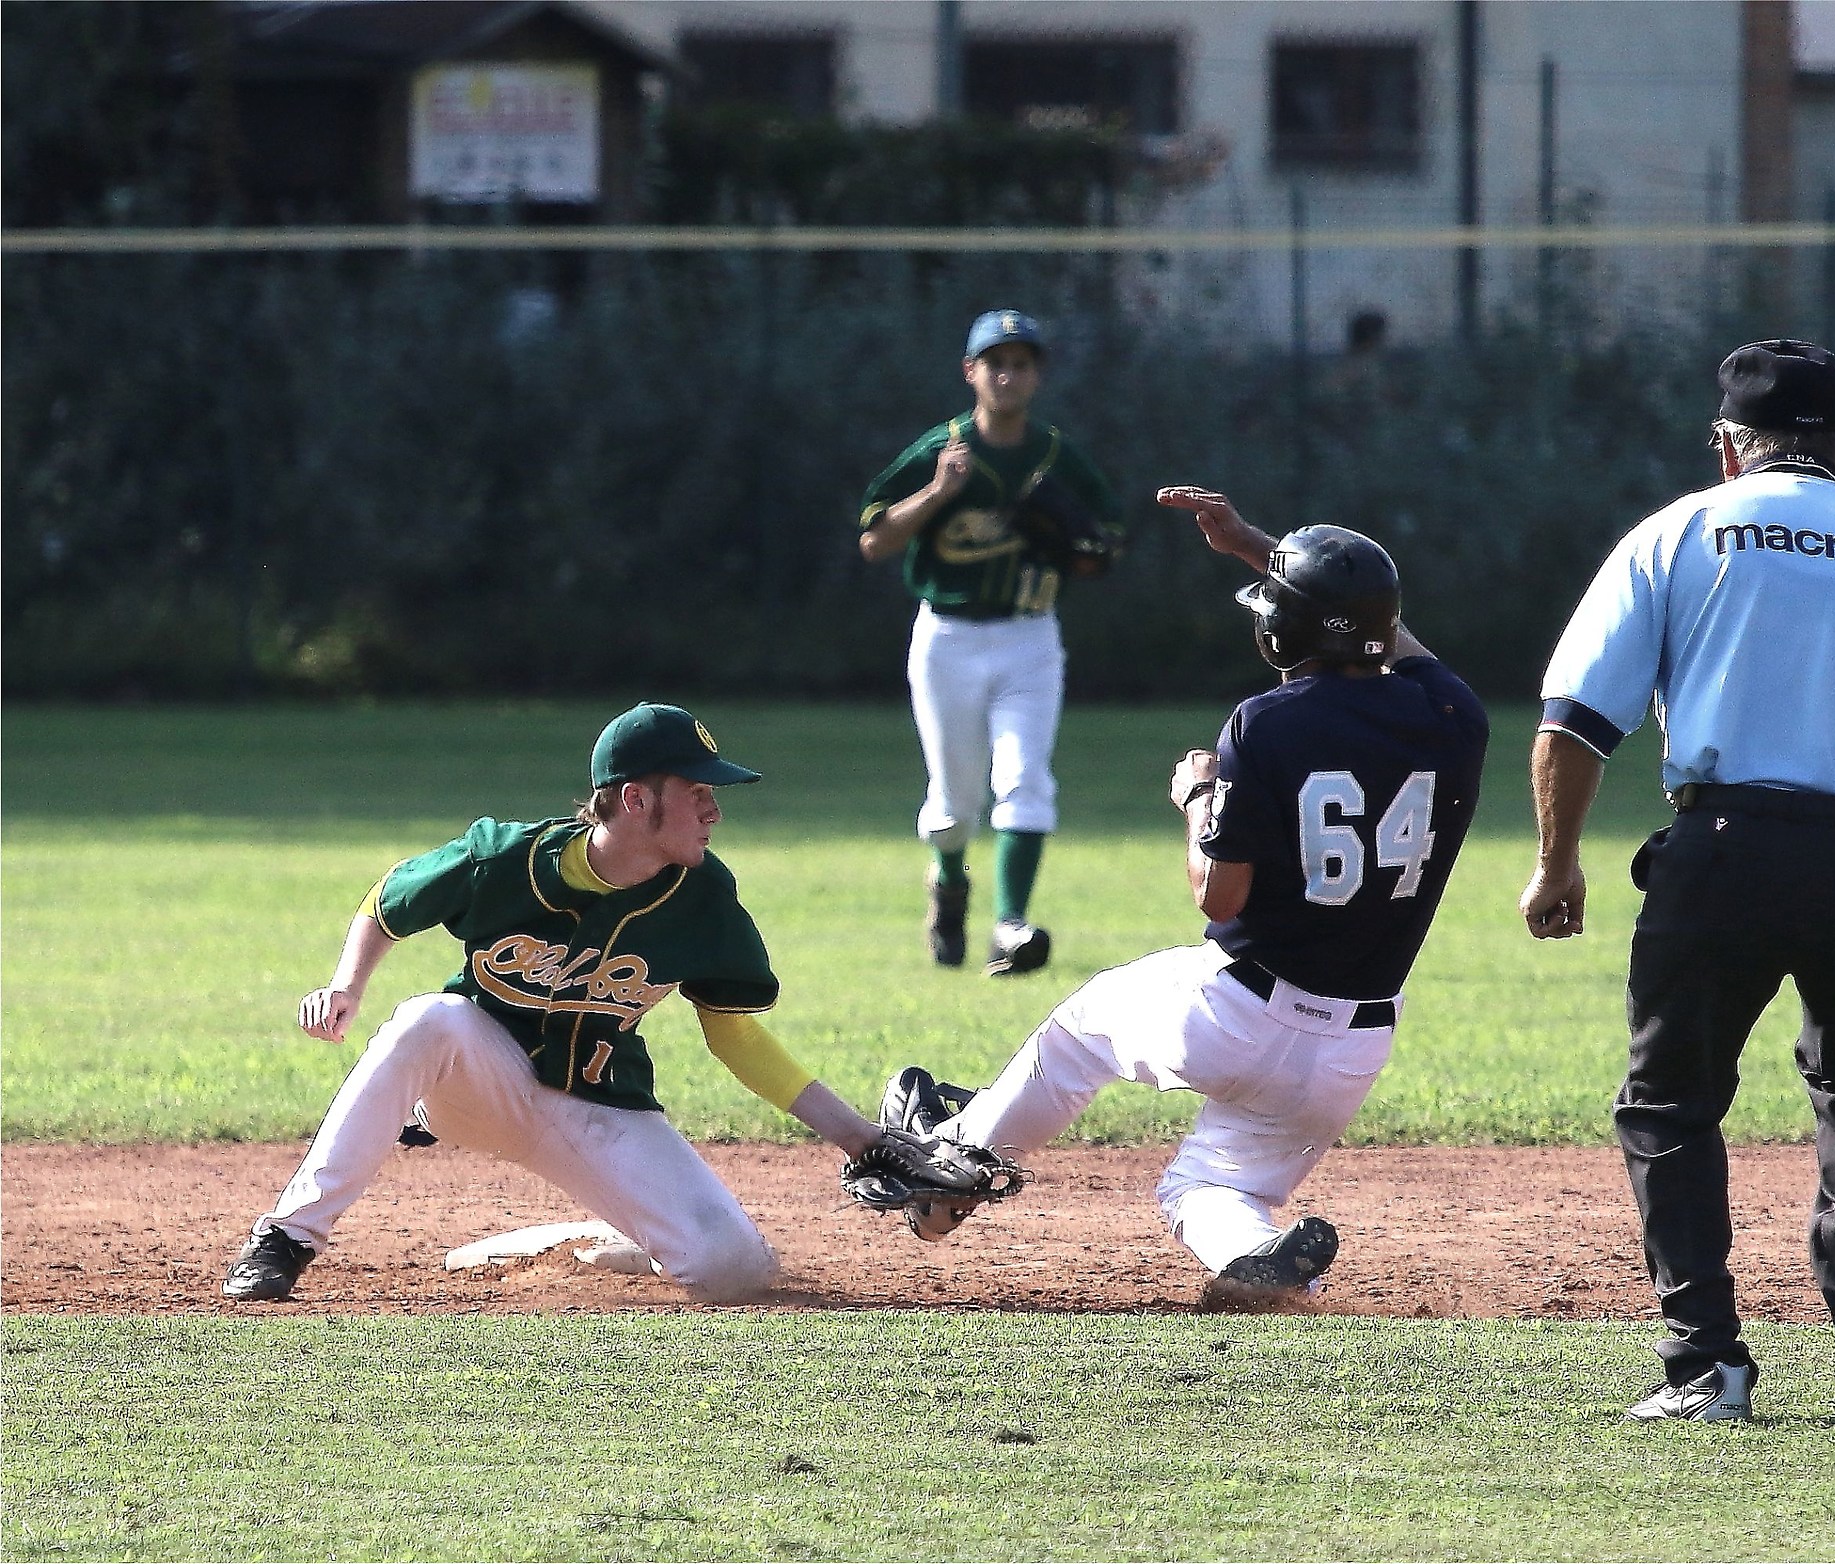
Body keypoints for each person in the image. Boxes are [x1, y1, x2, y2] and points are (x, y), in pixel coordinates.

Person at [1519, 341, 1835, 1421]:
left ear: (1726, 446)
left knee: (1671, 1100)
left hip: (1728, 845)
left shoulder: (1678, 534)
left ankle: (1706, 1364)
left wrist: (1557, 863)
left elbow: (1572, 724)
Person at [879, 489, 1487, 1304]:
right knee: (1209, 1185)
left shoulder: (1266, 722)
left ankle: (948, 1170)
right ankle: (1253, 1260)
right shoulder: (1456, 715)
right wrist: (1259, 551)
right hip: (1355, 1041)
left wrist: (1198, 797)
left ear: (1284, 630)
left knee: (1080, 1033)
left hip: (1238, 1008)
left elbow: (1220, 897)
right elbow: (1386, 634)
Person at [221, 702, 904, 1304]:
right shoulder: (505, 861)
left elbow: (736, 1036)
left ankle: (642, 1233)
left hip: (598, 1103)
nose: (713, 809)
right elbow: (389, 900)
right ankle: (287, 1237)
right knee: (431, 1018)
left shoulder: (701, 897)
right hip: (478, 1084)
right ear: (636, 800)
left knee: (736, 1274)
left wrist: (862, 1139)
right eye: (696, 791)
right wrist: (348, 984)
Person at [857, 309, 1124, 977]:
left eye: (1022, 363)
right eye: (995, 362)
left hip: (1029, 637)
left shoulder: (1058, 456)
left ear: (1038, 375)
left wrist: (1080, 545)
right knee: (951, 805)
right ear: (970, 372)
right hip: (946, 638)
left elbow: (1106, 543)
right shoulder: (941, 450)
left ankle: (1011, 925)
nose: (1008, 374)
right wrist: (938, 491)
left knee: (1025, 780)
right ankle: (949, 885)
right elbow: (873, 539)